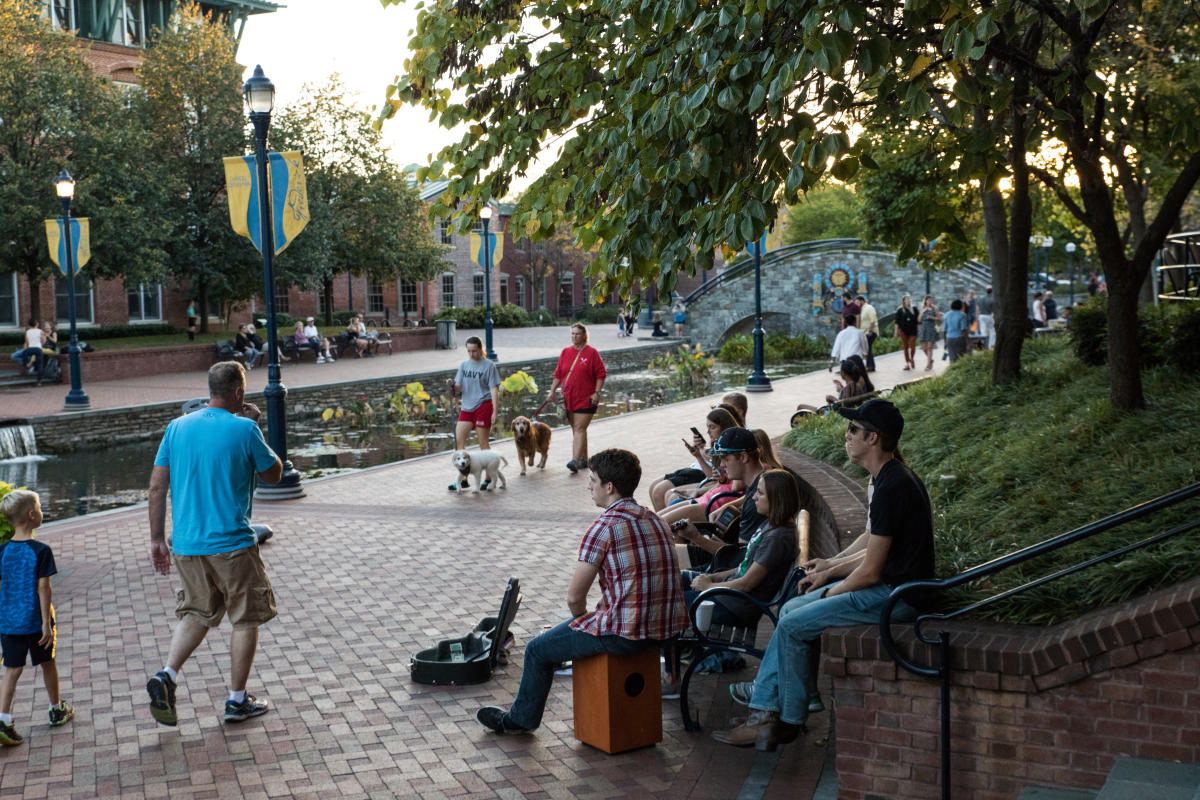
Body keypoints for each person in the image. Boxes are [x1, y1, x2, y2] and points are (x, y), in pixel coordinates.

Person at [712, 399, 934, 750]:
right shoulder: (889, 477)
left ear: (872, 438)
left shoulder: (893, 486)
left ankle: (772, 718)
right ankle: (795, 705)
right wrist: (830, 566)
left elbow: (871, 571)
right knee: (789, 611)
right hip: (892, 586)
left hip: (897, 596)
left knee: (792, 621)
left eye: (853, 431)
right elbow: (873, 547)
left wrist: (831, 591)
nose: (847, 437)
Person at [476, 449, 688, 734]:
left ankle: (520, 721)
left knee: (538, 649)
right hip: (667, 630)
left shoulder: (603, 528)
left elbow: (575, 598)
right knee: (568, 633)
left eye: (593, 480)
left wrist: (582, 622)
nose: (589, 486)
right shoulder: (656, 520)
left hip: (626, 635)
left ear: (609, 487)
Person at [145, 361, 283, 727]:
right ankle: (237, 700)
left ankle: (167, 675)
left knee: (196, 613)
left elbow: (157, 487)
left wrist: (157, 539)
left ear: (210, 390)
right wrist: (255, 427)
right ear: (238, 393)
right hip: (232, 545)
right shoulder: (244, 429)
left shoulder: (176, 428)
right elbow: (274, 474)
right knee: (245, 617)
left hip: (187, 545)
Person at [680, 469, 801, 627]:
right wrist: (713, 577)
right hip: (728, 595)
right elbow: (743, 567)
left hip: (734, 607)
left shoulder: (776, 538)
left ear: (776, 499)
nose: (753, 497)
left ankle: (674, 649)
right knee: (672, 579)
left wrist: (709, 586)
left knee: (670, 603)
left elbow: (747, 583)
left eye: (760, 493)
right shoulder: (771, 524)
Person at [0, 490, 74, 746]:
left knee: (12, 669)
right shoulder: (41, 551)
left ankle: (4, 719)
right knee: (47, 663)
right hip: (35, 621)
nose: (42, 512)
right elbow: (44, 588)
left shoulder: (1, 552)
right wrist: (46, 623)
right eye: (40, 508)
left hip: (9, 622)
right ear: (32, 516)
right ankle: (56, 709)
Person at [649, 407, 740, 510]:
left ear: (724, 427)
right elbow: (716, 479)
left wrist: (701, 450)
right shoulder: (716, 445)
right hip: (713, 492)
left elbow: (723, 482)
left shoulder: (730, 450)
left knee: (669, 497)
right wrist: (698, 456)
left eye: (712, 427)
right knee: (659, 490)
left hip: (716, 498)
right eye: (707, 427)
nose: (708, 432)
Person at [547, 323, 606, 473]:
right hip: (568, 398)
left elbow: (601, 374)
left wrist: (597, 393)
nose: (574, 337)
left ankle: (574, 460)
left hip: (587, 398)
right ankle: (584, 460)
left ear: (584, 335)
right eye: (572, 334)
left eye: (577, 334)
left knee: (579, 428)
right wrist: (552, 391)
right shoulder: (565, 352)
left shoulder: (592, 353)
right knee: (577, 430)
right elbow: (558, 374)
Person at [449, 335, 501, 456]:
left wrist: (495, 411)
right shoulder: (463, 365)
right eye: (469, 351)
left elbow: (494, 389)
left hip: (484, 405)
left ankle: (489, 473)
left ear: (480, 349)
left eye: (474, 351)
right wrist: (451, 386)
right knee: (459, 444)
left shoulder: (489, 365)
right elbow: (458, 387)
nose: (471, 354)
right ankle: (464, 473)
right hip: (467, 407)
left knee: (483, 443)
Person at [894, 294, 919, 370]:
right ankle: (907, 363)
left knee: (912, 346)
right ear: (904, 301)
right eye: (907, 299)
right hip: (903, 330)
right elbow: (897, 322)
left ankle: (912, 358)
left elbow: (918, 320)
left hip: (913, 330)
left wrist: (919, 328)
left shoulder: (914, 309)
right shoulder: (900, 310)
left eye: (909, 299)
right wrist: (896, 332)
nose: (908, 300)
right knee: (905, 347)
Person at [918, 295, 940, 371]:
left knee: (930, 348)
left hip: (931, 328)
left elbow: (939, 318)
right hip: (924, 328)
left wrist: (932, 317)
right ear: (925, 301)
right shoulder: (922, 308)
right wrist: (922, 313)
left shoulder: (935, 308)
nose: (930, 301)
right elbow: (919, 320)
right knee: (924, 348)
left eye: (931, 300)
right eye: (928, 300)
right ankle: (930, 360)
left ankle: (928, 365)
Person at [943, 299, 969, 363]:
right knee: (961, 357)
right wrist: (968, 340)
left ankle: (952, 370)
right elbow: (963, 329)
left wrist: (945, 341)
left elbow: (944, 330)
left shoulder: (946, 315)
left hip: (949, 339)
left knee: (952, 358)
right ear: (961, 306)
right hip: (959, 338)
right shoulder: (962, 315)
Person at [856, 295, 878, 372]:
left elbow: (873, 320)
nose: (856, 304)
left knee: (868, 348)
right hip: (864, 333)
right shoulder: (861, 310)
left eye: (857, 302)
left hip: (870, 332)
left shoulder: (869, 308)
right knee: (867, 349)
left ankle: (870, 366)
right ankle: (869, 366)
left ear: (862, 301)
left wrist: (870, 331)